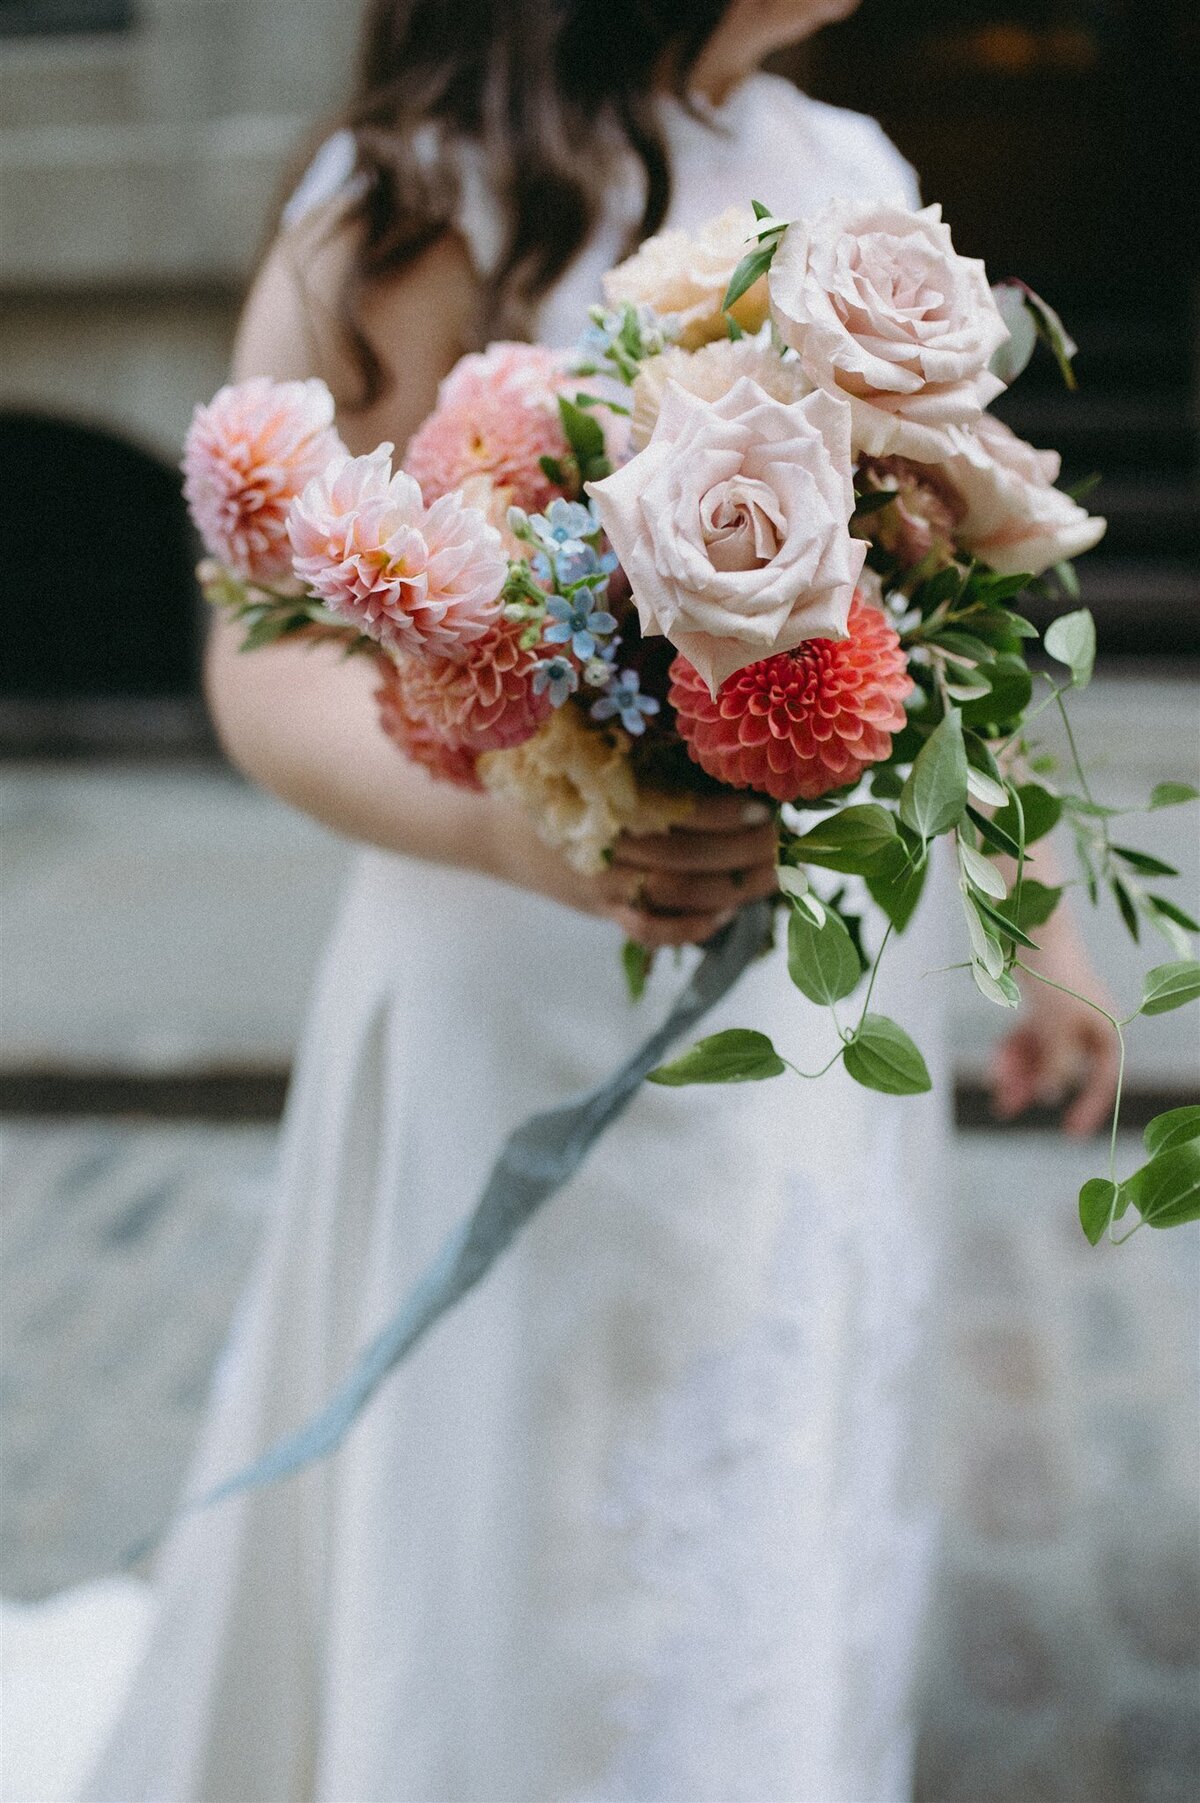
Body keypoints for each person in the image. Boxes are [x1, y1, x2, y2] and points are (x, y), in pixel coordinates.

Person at [69, 2, 1116, 1798]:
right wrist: (509, 836)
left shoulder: (848, 173)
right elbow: (262, 664)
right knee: (523, 1498)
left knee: (772, 1446)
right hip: (511, 975)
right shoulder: (406, 205)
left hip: (799, 999)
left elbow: (968, 588)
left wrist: (1041, 930)